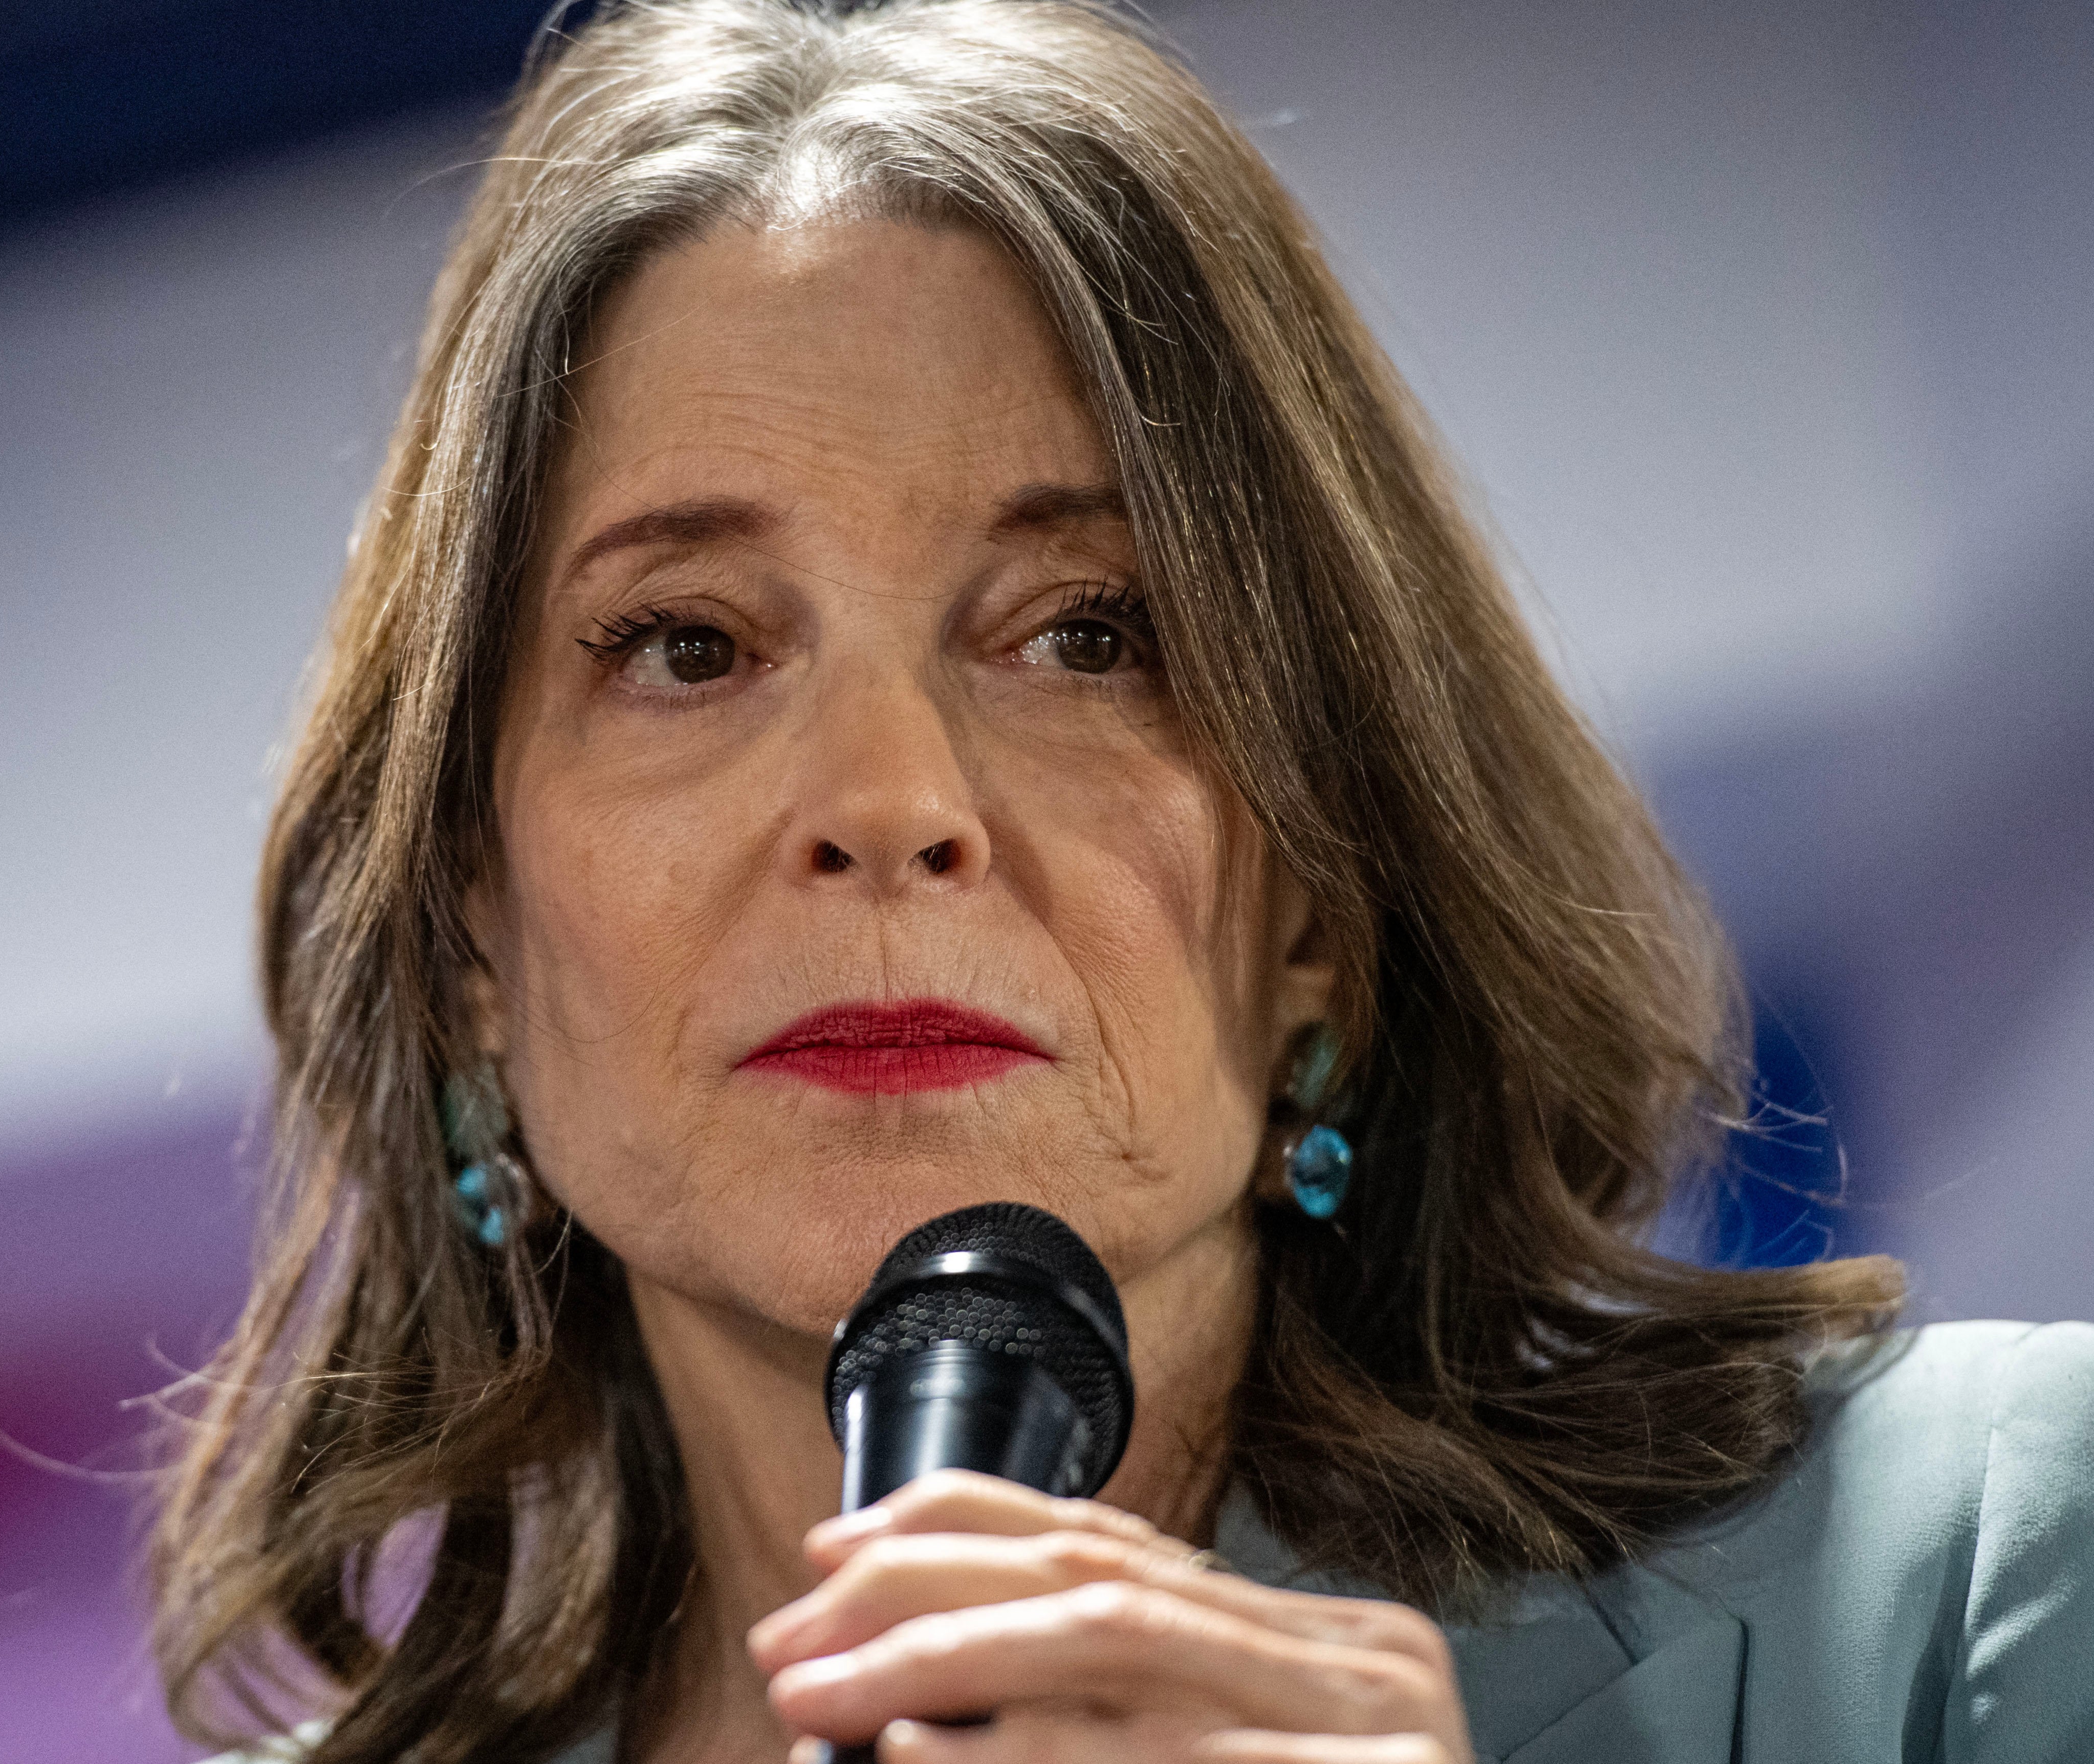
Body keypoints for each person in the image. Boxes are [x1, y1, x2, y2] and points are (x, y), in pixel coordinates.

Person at [149, 3, 2094, 1760]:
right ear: (473, 941)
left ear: (1322, 918)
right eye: (687, 645)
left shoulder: (1982, 1554)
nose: (892, 803)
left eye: (1087, 633)